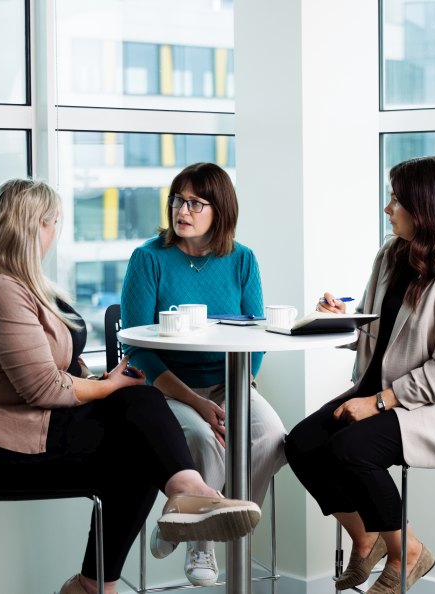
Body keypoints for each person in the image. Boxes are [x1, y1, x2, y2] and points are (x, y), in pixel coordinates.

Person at [0, 178, 262, 594]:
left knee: (143, 431)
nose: (55, 232)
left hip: (26, 428)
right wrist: (108, 387)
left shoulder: (13, 284)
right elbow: (44, 389)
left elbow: (49, 371)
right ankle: (108, 572)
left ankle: (167, 514)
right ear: (35, 226)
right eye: (54, 222)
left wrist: (98, 382)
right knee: (141, 432)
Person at [284, 156, 435, 594]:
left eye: (395, 200)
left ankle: (407, 554)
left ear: (425, 207)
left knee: (351, 447)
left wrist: (377, 402)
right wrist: (341, 319)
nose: (388, 209)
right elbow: (376, 330)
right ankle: (368, 539)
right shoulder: (392, 254)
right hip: (384, 392)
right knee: (302, 445)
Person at [120, 162, 287, 586]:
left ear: (220, 210)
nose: (183, 210)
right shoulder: (148, 259)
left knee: (270, 434)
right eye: (178, 199)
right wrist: (197, 401)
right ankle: (202, 544)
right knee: (203, 437)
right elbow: (136, 347)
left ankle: (192, 519)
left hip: (230, 381)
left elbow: (257, 334)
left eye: (196, 202)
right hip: (167, 388)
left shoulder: (242, 259)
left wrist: (240, 387)